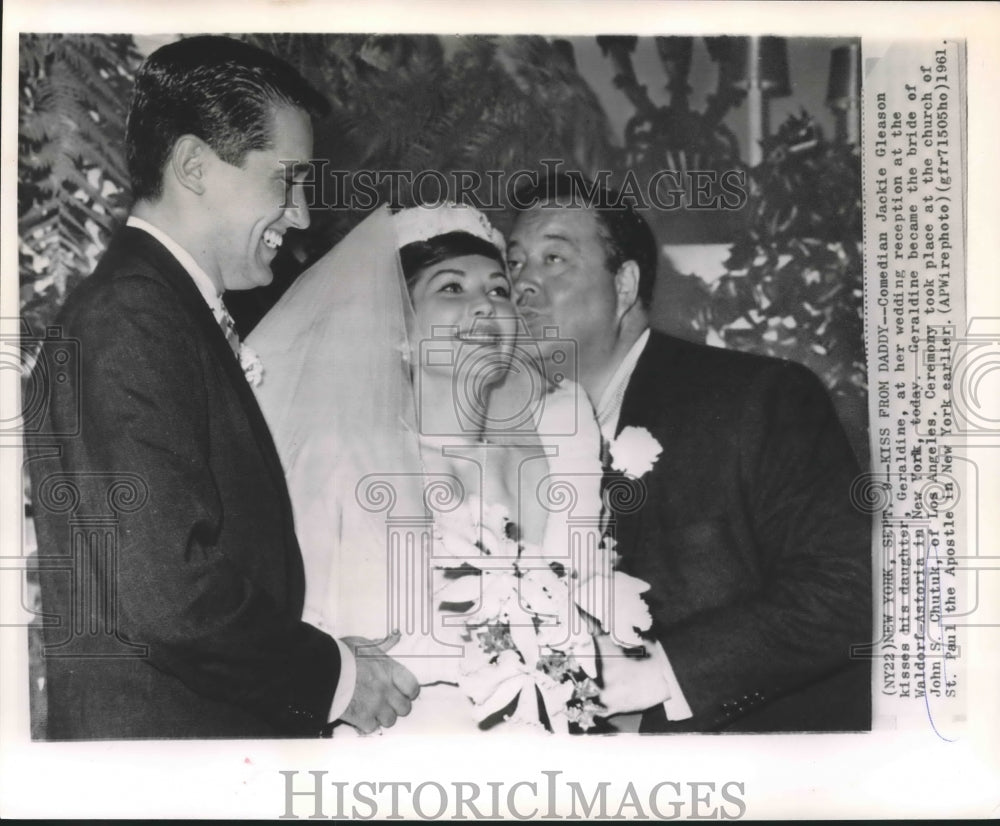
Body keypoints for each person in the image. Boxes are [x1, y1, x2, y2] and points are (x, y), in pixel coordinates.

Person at [27, 35, 418, 740]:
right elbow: (165, 594)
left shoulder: (162, 309)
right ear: (194, 166)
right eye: (286, 180)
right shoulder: (132, 318)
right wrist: (334, 678)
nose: (300, 216)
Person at [247, 203, 656, 733]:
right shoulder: (343, 457)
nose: (485, 307)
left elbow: (585, 610)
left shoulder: (555, 449)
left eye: (498, 290)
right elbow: (292, 628)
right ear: (399, 327)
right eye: (451, 289)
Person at [506, 174, 873, 732]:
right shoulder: (507, 432)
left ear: (625, 285)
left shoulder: (757, 397)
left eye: (553, 258)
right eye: (513, 263)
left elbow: (845, 590)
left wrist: (660, 675)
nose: (523, 285)